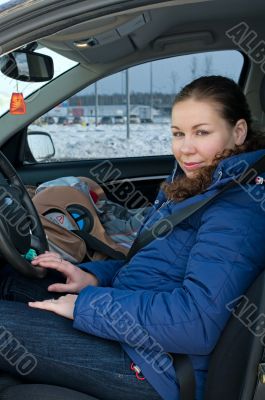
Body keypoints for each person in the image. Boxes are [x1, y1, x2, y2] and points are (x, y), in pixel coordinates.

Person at [0, 75, 265, 400]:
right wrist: (92, 279)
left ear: (238, 132)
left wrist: (88, 306)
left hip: (160, 366)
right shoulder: (197, 185)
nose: (185, 148)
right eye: (178, 133)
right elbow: (148, 267)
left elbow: (197, 322)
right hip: (135, 326)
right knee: (9, 280)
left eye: (202, 132)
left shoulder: (237, 208)